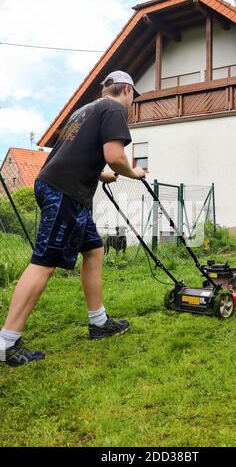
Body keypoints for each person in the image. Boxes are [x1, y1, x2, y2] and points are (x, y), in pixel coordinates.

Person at [0, 70, 145, 367]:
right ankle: (6, 342)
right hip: (64, 191)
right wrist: (134, 172)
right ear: (127, 91)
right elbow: (116, 155)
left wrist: (101, 174)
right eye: (133, 97)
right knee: (44, 262)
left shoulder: (85, 109)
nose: (131, 103)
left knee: (94, 249)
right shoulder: (115, 108)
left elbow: (75, 152)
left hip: (60, 187)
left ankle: (99, 322)